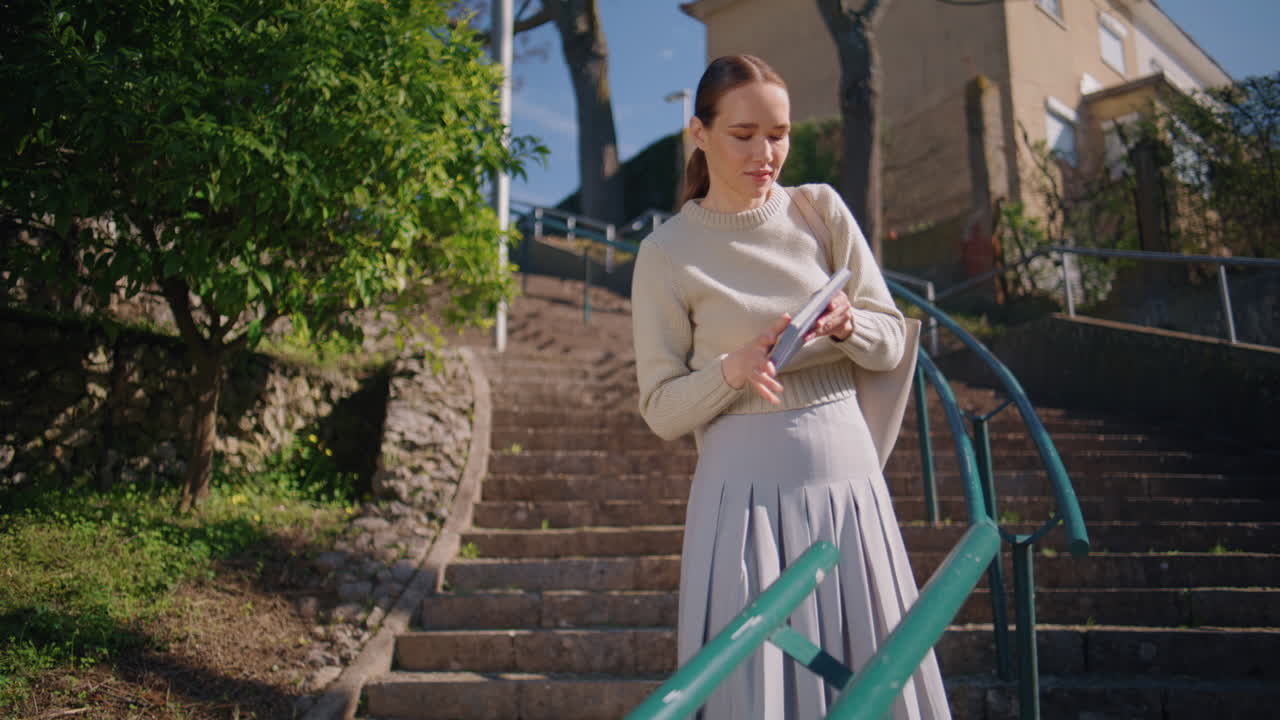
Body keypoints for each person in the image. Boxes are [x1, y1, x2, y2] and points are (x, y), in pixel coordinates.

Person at [631, 54, 951, 720]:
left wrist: (847, 326)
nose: (765, 152)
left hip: (849, 480)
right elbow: (661, 408)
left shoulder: (820, 210)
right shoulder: (666, 252)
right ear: (699, 132)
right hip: (739, 496)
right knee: (757, 685)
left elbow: (894, 339)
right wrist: (732, 369)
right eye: (743, 135)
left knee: (873, 669)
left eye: (778, 134)